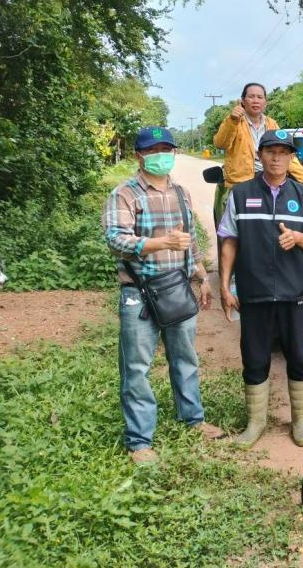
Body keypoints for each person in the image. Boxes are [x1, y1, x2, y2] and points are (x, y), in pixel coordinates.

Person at [103, 126, 224, 464]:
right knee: (137, 367)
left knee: (185, 358)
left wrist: (202, 276)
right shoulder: (125, 194)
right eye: (153, 150)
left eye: (166, 149)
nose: (161, 155)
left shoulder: (182, 192)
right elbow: (116, 241)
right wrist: (161, 243)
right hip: (138, 293)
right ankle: (140, 441)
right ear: (139, 155)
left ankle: (193, 419)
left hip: (178, 288)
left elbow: (191, 241)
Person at [218, 129, 303, 449]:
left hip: (294, 292)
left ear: (291, 158)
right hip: (254, 291)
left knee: (298, 357)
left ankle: (300, 421)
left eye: (283, 152)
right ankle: (255, 422)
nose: (277, 157)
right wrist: (225, 286)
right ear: (260, 155)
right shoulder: (240, 194)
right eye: (270, 151)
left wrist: (298, 238)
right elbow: (228, 241)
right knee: (254, 357)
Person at [212, 82, 303, 228]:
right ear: (243, 101)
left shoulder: (271, 124)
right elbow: (221, 143)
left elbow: (286, 156)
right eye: (251, 97)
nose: (256, 100)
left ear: (265, 103)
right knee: (233, 231)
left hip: (269, 182)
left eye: (260, 97)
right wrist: (232, 121)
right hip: (241, 185)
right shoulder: (233, 121)